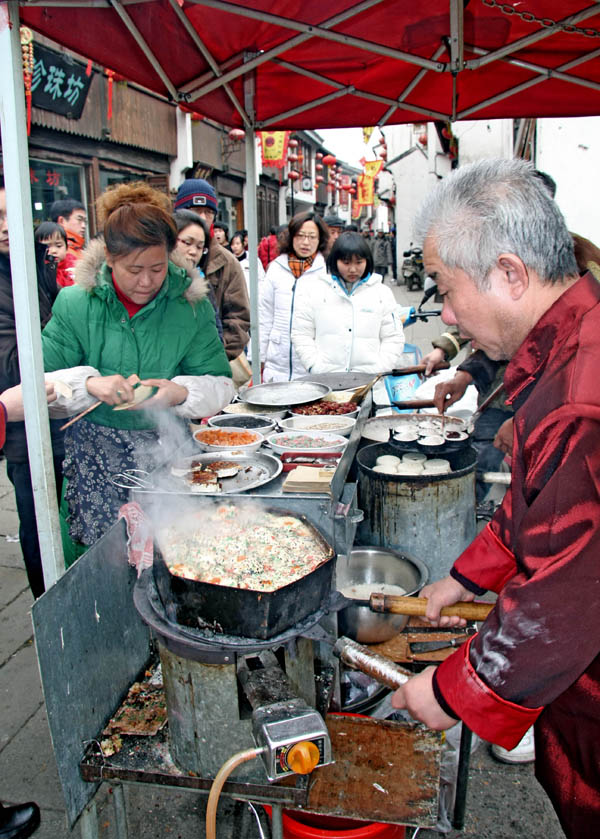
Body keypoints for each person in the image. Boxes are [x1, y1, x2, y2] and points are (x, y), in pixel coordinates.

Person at [391, 158, 600, 837]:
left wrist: (455, 688)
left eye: (448, 292)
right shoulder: (564, 342)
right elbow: (537, 504)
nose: (445, 315)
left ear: (510, 273)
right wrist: (464, 575)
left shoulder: (581, 392)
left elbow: (566, 592)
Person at [41, 182, 234, 549]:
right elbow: (39, 386)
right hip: (95, 457)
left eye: (157, 269)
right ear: (109, 259)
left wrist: (179, 392)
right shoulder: (76, 304)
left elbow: (221, 384)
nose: (146, 282)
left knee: (173, 553)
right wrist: (87, 385)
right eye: (133, 269)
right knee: (102, 561)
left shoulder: (189, 306)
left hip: (168, 450)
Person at [0, 182, 65, 598]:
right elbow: (11, 364)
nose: (7, 226)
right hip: (23, 424)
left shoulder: (33, 265)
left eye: (12, 214)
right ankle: (49, 611)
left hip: (59, 412)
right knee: (39, 523)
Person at [291, 231, 405, 373]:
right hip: (328, 382)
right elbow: (301, 334)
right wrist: (315, 366)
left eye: (359, 262)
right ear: (335, 261)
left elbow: (393, 337)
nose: (352, 269)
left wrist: (380, 369)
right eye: (346, 262)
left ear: (367, 261)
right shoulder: (315, 291)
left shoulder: (382, 293)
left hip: (370, 385)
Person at [173, 179, 250, 360]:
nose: (203, 218)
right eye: (195, 211)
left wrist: (216, 355)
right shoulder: (158, 256)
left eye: (209, 212)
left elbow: (239, 317)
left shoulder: (227, 261)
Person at [259, 211, 328, 382]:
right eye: (300, 236)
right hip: (277, 362)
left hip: (311, 364)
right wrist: (259, 356)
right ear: (291, 237)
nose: (306, 242)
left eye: (312, 237)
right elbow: (265, 314)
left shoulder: (327, 271)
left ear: (320, 241)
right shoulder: (276, 268)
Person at [172, 210, 224, 345]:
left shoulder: (202, 286)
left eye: (200, 247)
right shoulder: (152, 282)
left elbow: (215, 338)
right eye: (187, 243)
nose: (193, 252)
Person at [34, 221, 77, 287]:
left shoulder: (75, 268)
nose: (54, 251)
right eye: (47, 246)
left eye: (59, 246)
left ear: (66, 247)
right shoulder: (37, 272)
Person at [230, 230, 265, 295]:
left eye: (237, 244)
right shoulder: (229, 261)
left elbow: (261, 279)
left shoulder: (253, 259)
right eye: (232, 244)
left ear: (243, 244)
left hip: (253, 296)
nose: (235, 246)